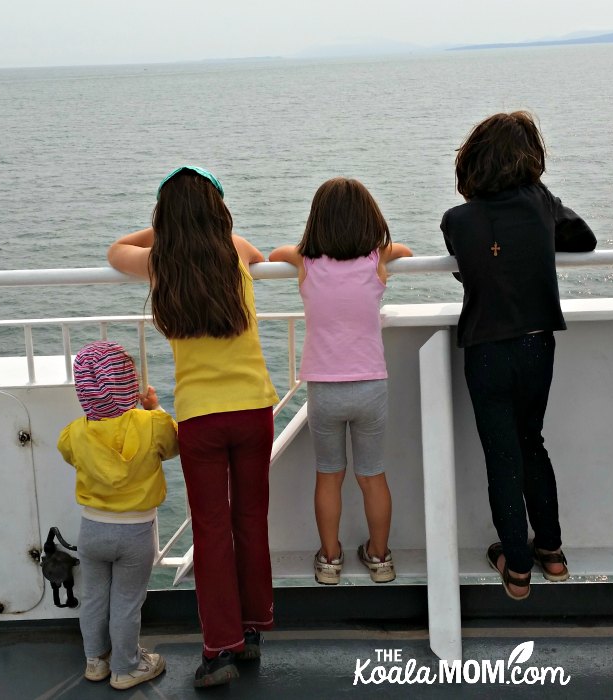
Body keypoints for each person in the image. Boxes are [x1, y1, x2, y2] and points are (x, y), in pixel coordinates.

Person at [106, 165, 279, 688]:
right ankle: (252, 630)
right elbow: (260, 258)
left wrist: (163, 230)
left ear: (167, 220)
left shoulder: (162, 263)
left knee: (210, 532)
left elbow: (115, 251)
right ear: (218, 211)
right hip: (255, 411)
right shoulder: (237, 249)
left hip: (201, 418)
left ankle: (218, 647)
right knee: (250, 521)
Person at [441, 111, 597, 600]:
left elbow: (471, 260)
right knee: (533, 443)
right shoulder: (541, 203)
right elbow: (585, 239)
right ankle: (551, 552)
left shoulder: (457, 219)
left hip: (487, 349)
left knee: (502, 456)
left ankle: (517, 566)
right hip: (536, 343)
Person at [270, 177, 412, 585]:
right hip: (371, 387)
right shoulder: (376, 261)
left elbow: (277, 253)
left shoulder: (306, 264)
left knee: (328, 475)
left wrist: (304, 251)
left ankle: (329, 560)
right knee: (372, 475)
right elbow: (406, 250)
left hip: (325, 389)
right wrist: (383, 249)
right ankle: (380, 558)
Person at [57, 340, 179, 690]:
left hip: (92, 529)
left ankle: (96, 661)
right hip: (136, 532)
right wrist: (154, 408)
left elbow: (68, 452)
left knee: (95, 596)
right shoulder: (151, 423)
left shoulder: (75, 433)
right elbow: (172, 445)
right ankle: (126, 667)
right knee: (127, 601)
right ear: (128, 381)